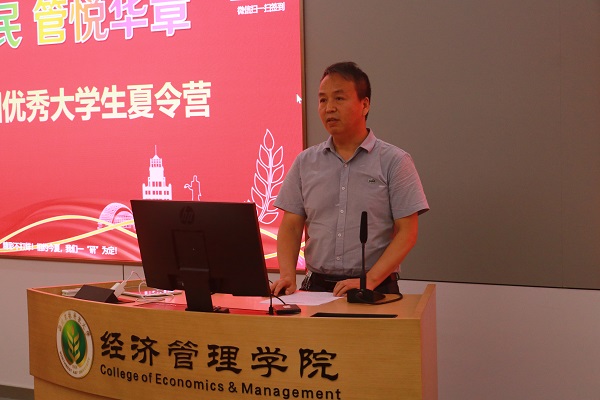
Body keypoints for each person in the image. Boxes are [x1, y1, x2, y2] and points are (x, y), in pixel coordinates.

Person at [270, 61, 429, 297]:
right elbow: (291, 226)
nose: (329, 108)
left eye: (339, 98)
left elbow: (407, 232)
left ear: (364, 105)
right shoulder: (305, 162)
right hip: (316, 288)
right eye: (322, 100)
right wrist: (287, 275)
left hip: (374, 287)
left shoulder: (395, 161)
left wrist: (369, 280)